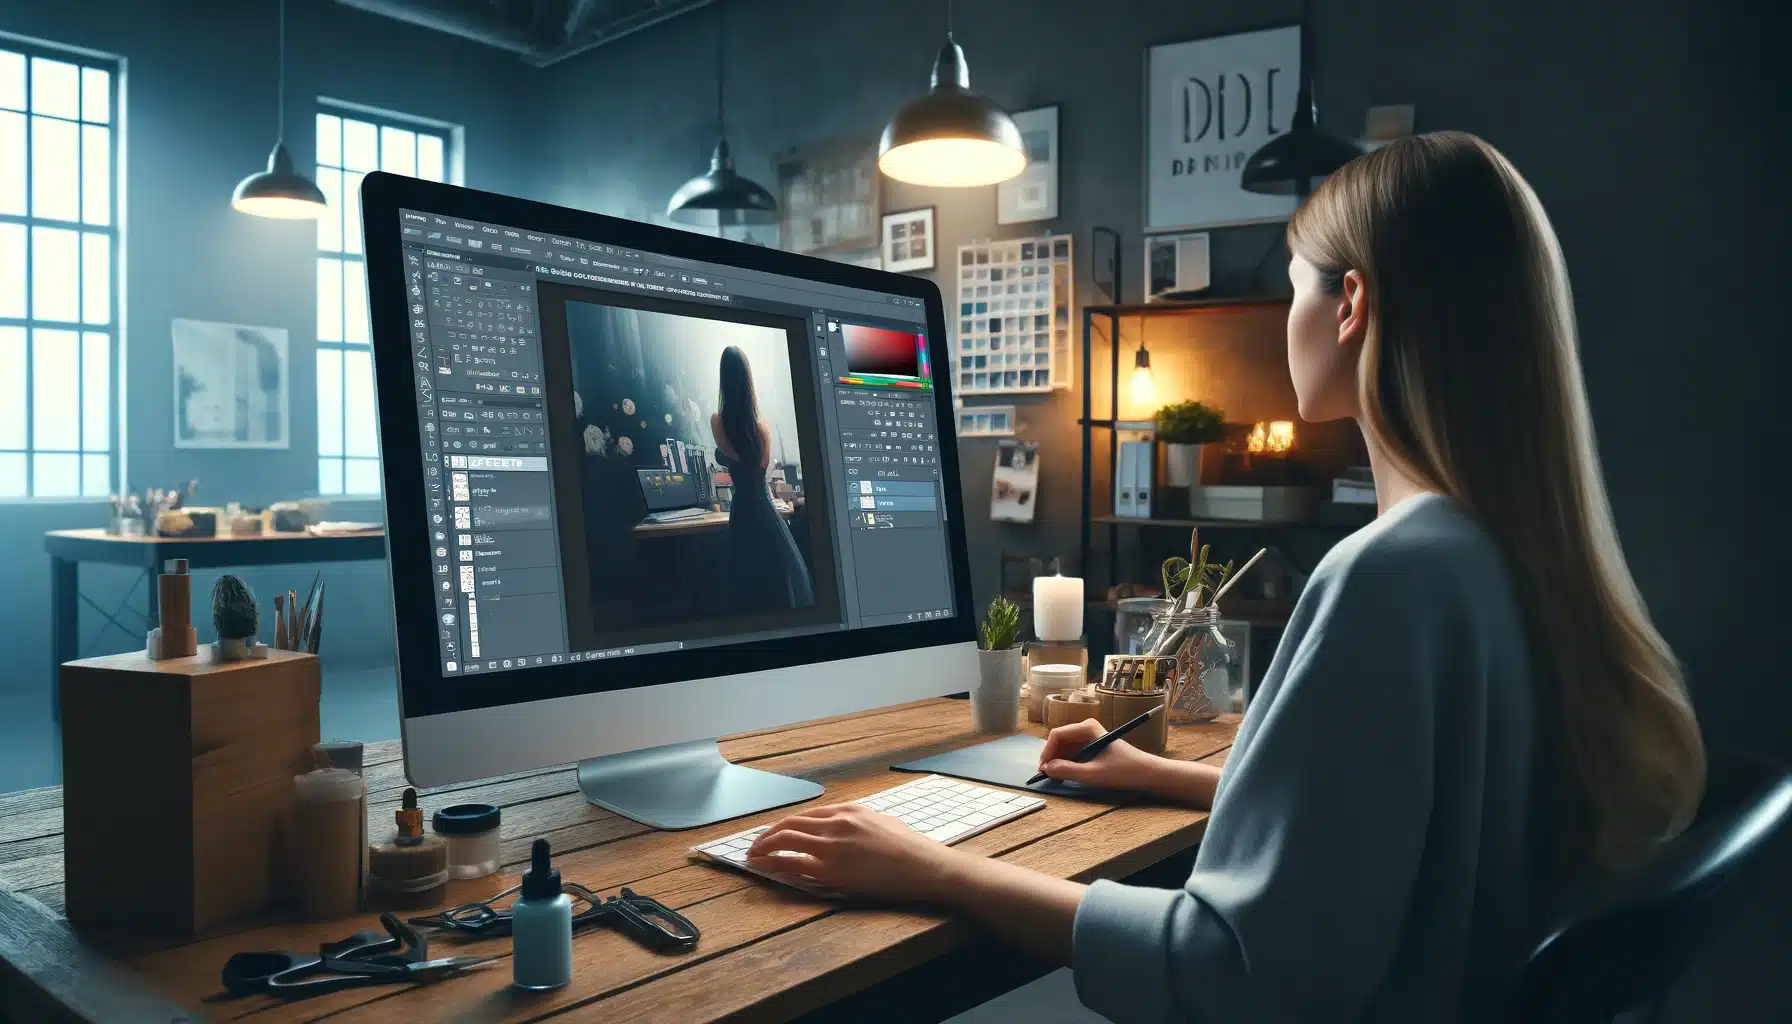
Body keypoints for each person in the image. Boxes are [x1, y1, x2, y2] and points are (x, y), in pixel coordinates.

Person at [741, 132, 1706, 1022]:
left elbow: (1232, 969)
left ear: (1352, 304)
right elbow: (1390, 823)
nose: (1291, 316)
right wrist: (1162, 775)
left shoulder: (1393, 578)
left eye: (1294, 287)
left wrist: (934, 871)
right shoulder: (1502, 554)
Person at [710, 345, 815, 612]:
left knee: (746, 581)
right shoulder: (762, 428)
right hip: (763, 508)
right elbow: (760, 468)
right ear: (748, 381)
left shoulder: (717, 422)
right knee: (779, 578)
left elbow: (731, 456)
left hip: (742, 510)